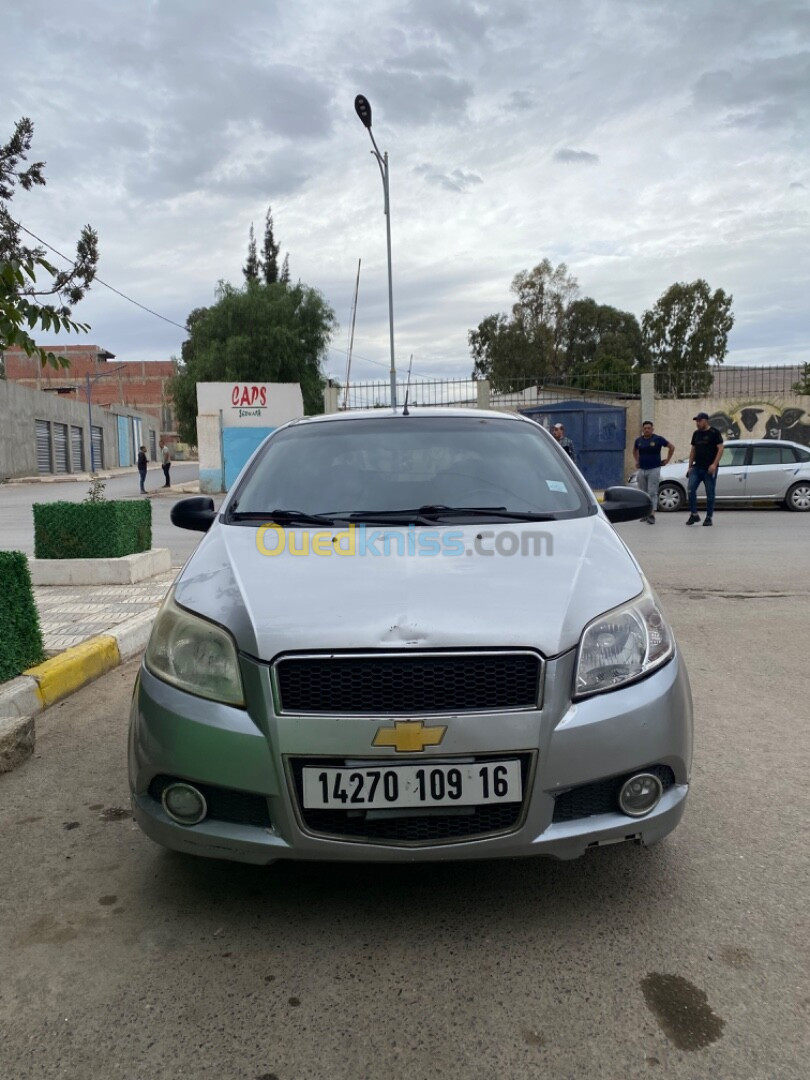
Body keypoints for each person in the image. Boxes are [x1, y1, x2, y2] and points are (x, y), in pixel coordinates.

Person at [633, 421, 675, 524]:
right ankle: (645, 514)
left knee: (652, 492)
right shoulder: (639, 440)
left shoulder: (658, 439)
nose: (647, 430)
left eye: (649, 428)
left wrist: (667, 460)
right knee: (643, 493)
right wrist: (637, 461)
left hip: (654, 469)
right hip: (642, 469)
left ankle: (652, 515)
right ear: (642, 429)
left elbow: (671, 447)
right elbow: (634, 450)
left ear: (652, 429)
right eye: (645, 428)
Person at [686, 412, 723, 526]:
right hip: (697, 467)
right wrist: (690, 466)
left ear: (706, 421)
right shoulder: (696, 434)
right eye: (696, 421)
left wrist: (714, 465)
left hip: (709, 468)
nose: (697, 423)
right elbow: (693, 450)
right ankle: (694, 514)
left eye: (699, 421)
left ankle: (709, 517)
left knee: (710, 493)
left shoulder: (714, 433)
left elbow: (721, 449)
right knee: (691, 489)